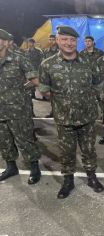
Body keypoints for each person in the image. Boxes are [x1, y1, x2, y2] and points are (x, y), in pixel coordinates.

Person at [39, 26, 104, 199]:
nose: (69, 43)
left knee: (89, 149)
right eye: (65, 39)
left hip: (87, 117)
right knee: (66, 152)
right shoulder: (48, 64)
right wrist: (62, 100)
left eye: (72, 40)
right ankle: (68, 181)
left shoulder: (89, 62)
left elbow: (98, 84)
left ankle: (91, 177)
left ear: (77, 41)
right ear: (58, 40)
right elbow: (44, 89)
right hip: (64, 118)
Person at [0, 28, 41, 184]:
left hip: (18, 110)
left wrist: (23, 88)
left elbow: (36, 79)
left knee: (25, 140)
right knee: (4, 140)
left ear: (5, 42)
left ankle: (34, 168)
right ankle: (11, 167)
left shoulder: (19, 58)